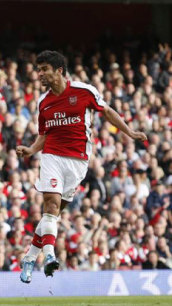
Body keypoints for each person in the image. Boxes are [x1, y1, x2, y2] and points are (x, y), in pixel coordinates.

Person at [17, 50, 147, 284]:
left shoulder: (84, 91)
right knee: (50, 205)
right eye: (38, 70)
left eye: (44, 69)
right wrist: (31, 150)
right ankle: (49, 256)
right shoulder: (43, 103)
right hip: (52, 157)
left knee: (53, 215)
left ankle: (29, 257)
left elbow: (106, 111)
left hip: (78, 162)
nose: (40, 74)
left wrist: (129, 132)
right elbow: (44, 135)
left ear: (59, 71)